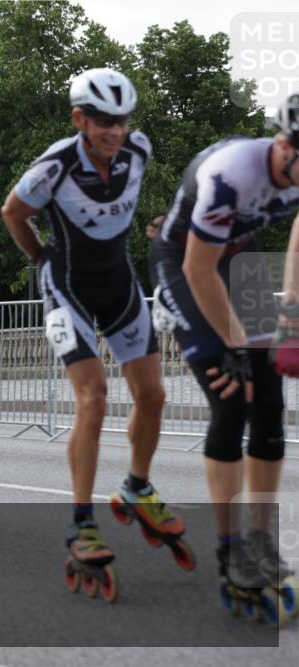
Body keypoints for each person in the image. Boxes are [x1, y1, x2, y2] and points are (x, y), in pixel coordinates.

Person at [0, 68, 184, 595]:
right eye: (103, 121)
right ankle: (82, 524)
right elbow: (13, 212)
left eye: (122, 121)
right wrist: (40, 261)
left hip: (119, 283)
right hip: (68, 288)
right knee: (94, 398)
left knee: (152, 394)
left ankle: (137, 487)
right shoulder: (55, 165)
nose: (114, 131)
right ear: (80, 119)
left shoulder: (139, 150)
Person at [148, 93, 299, 621]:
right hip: (188, 264)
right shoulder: (232, 173)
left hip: (243, 257)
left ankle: (259, 539)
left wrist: (293, 309)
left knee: (270, 404)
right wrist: (235, 343)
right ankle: (230, 548)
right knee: (232, 398)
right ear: (285, 147)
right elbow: (198, 269)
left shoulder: (293, 171)